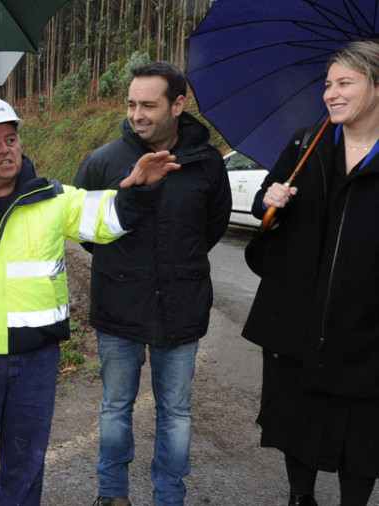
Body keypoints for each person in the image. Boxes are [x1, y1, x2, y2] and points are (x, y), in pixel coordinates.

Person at [0, 96, 179, 506]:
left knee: (25, 462)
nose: (6, 149)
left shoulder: (54, 199)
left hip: (36, 360)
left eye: (11, 139)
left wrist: (135, 192)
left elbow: (106, 218)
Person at [73, 62, 231, 506]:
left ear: (178, 105)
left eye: (148, 105)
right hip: (119, 305)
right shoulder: (104, 161)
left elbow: (212, 227)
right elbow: (86, 233)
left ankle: (169, 496)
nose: (136, 114)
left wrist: (178, 267)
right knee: (115, 407)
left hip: (182, 304)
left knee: (176, 412)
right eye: (130, 104)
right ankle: (112, 493)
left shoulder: (205, 163)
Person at [242, 40, 379, 506]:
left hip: (366, 328)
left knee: (362, 431)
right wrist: (271, 204)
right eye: (327, 84)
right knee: (296, 419)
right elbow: (263, 221)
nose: (331, 94)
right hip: (297, 319)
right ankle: (300, 497)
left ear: (376, 85)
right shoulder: (307, 142)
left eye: (345, 83)